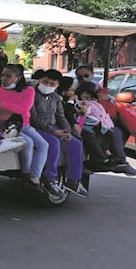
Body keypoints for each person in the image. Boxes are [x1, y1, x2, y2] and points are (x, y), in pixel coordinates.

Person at [0, 64, 55, 197]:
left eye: (8, 76)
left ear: (17, 77)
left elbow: (23, 109)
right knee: (28, 142)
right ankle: (26, 174)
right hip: (5, 125)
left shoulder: (28, 90)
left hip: (24, 124)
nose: (4, 78)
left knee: (43, 144)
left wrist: (2, 104)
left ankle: (35, 177)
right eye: (3, 75)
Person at [30, 69, 87, 197]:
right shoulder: (31, 94)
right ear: (40, 80)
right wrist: (55, 131)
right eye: (45, 82)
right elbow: (34, 119)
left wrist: (67, 131)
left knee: (75, 144)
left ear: (57, 86)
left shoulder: (56, 97)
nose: (48, 85)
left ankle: (73, 180)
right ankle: (50, 179)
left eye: (52, 84)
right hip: (36, 127)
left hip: (53, 126)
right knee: (53, 141)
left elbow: (60, 116)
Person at [75, 81, 136, 175]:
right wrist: (80, 126)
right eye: (84, 93)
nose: (87, 95)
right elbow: (82, 116)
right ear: (80, 93)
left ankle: (115, 159)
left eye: (89, 93)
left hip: (104, 126)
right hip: (92, 126)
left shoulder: (95, 103)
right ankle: (112, 159)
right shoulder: (83, 104)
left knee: (116, 133)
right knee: (108, 135)